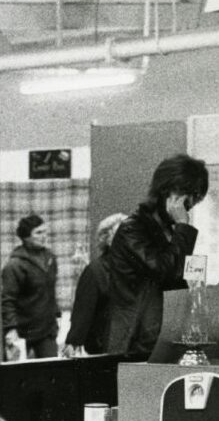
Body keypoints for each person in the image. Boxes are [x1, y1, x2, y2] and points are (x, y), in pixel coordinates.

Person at [105, 153, 208, 358]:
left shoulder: (169, 231)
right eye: (188, 200)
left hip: (162, 339)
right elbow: (167, 271)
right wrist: (183, 227)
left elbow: (179, 280)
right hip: (135, 342)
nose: (189, 208)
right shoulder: (132, 230)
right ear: (168, 191)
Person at [62, 213, 128, 357]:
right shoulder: (95, 271)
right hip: (104, 348)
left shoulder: (137, 268)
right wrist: (73, 342)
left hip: (132, 346)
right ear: (107, 240)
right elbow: (83, 310)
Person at [1, 214, 61, 360]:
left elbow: (50, 292)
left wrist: (56, 315)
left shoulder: (50, 258)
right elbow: (7, 300)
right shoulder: (14, 265)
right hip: (22, 332)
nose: (44, 236)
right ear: (26, 237)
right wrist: (11, 329)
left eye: (45, 232)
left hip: (47, 331)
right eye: (38, 233)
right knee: (18, 375)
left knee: (51, 372)